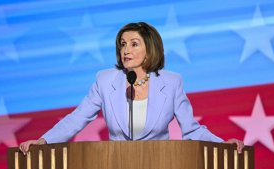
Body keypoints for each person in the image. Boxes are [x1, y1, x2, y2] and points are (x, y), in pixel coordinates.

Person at [20, 22, 244, 154]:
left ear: (150, 49)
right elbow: (77, 118)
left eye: (134, 44)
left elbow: (192, 130)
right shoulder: (105, 80)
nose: (125, 50)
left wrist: (223, 144)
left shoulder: (172, 82)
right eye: (122, 44)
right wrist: (44, 141)